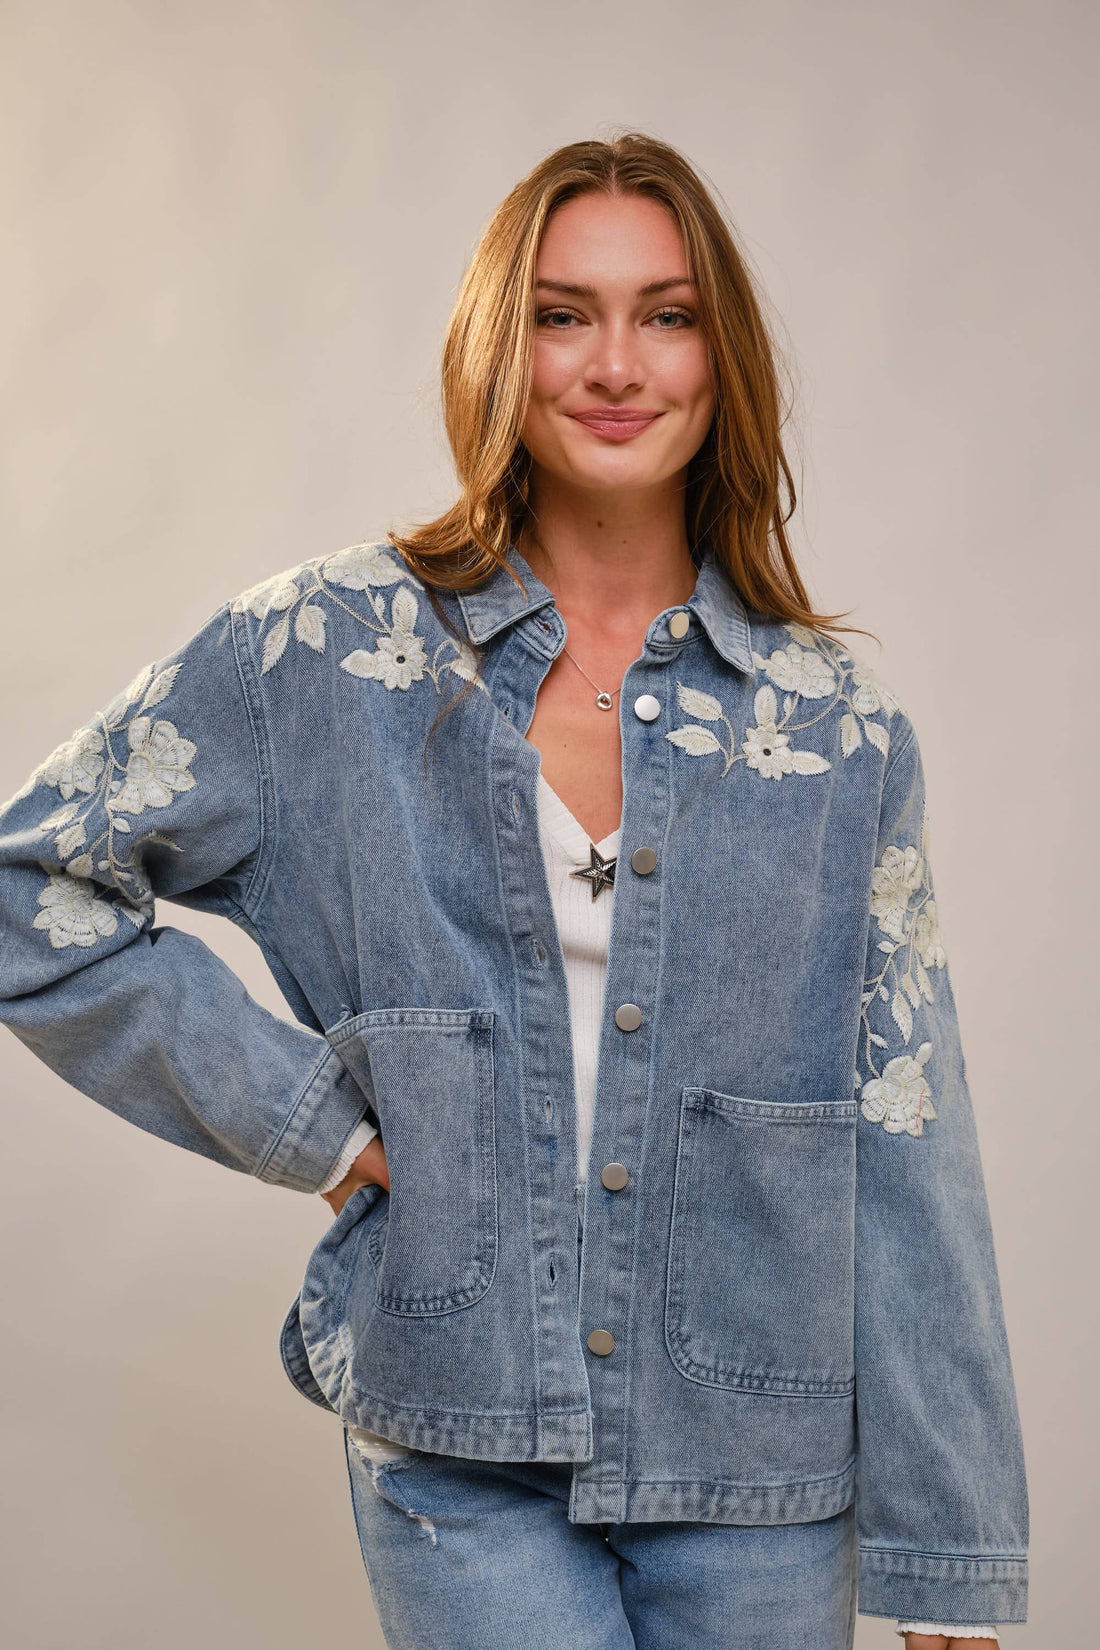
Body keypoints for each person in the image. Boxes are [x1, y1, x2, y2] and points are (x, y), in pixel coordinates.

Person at [0, 133, 1027, 1649]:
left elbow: (909, 1133)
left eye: (667, 315)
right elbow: (32, 885)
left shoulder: (836, 729)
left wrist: (952, 1553)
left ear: (721, 355)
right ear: (501, 346)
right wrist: (316, 1120)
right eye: (563, 314)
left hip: (759, 1465)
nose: (616, 363)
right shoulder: (329, 655)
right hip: (458, 1435)